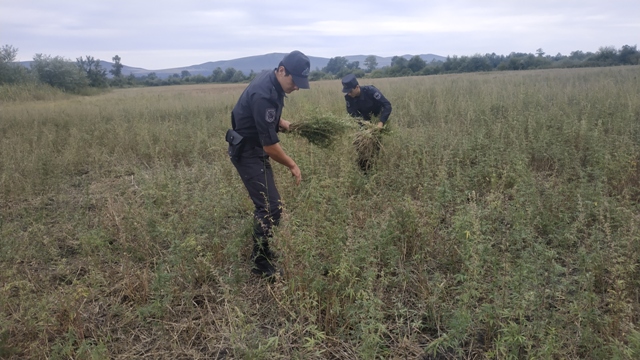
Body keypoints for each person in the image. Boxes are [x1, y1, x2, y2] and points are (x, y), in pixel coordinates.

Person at [225, 50, 310, 279]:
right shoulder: (264, 94)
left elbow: (262, 116)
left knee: (270, 204)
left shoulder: (271, 79)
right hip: (248, 152)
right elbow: (270, 147)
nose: (297, 87)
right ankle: (260, 264)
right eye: (295, 81)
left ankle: (262, 253)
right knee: (270, 207)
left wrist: (280, 122)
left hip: (254, 147)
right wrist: (292, 164)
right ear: (282, 70)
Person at [341, 73, 392, 171]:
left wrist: (380, 123)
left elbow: (387, 105)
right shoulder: (348, 97)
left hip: (376, 122)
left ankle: (373, 169)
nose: (349, 94)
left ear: (357, 87)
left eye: (350, 91)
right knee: (360, 145)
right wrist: (363, 124)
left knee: (374, 147)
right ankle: (363, 171)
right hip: (363, 124)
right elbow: (351, 112)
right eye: (347, 92)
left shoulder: (371, 91)